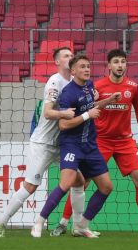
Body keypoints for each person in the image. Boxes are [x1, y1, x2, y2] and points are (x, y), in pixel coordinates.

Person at [54, 49, 138, 237]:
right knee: (83, 181)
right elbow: (83, 109)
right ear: (109, 65)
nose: (120, 65)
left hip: (125, 141)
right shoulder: (97, 87)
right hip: (100, 140)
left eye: (123, 62)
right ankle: (63, 222)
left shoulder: (133, 87)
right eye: (116, 62)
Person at [0, 46, 87, 238]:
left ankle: (78, 227)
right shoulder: (55, 82)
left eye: (71, 55)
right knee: (30, 185)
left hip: (62, 144)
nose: (70, 57)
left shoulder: (76, 82)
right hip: (43, 143)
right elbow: (48, 112)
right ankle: (1, 222)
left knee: (79, 180)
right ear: (57, 62)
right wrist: (64, 114)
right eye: (66, 55)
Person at [31, 54, 121, 239]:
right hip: (71, 145)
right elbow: (63, 124)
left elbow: (90, 107)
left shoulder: (89, 86)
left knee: (106, 187)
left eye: (88, 66)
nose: (86, 69)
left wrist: (108, 100)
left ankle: (81, 225)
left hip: (90, 146)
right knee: (66, 184)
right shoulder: (68, 94)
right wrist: (87, 115)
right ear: (73, 71)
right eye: (82, 67)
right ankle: (39, 222)